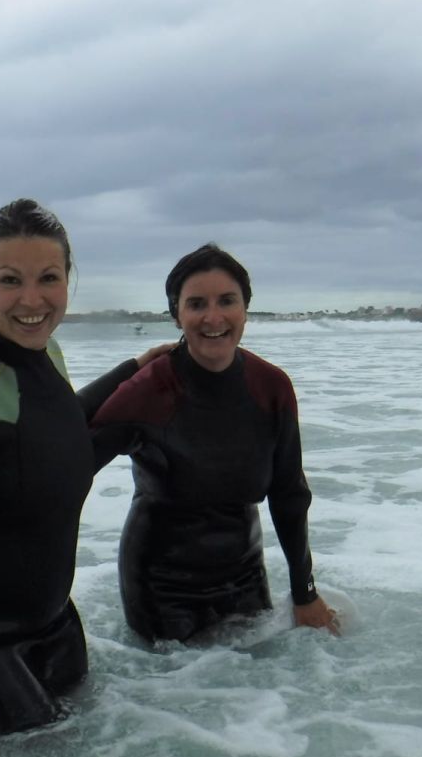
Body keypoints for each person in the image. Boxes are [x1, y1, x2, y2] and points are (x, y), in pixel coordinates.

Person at [0, 199, 170, 757]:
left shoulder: (47, 353)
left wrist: (133, 369)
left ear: (67, 279)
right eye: (10, 281)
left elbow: (55, 439)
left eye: (49, 279)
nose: (32, 300)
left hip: (55, 624)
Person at [89, 243, 340, 644]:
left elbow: (289, 494)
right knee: (175, 698)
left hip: (244, 574)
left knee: (268, 694)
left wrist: (304, 592)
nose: (213, 317)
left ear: (245, 310)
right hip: (161, 585)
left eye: (227, 301)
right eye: (196, 304)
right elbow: (66, 453)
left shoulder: (271, 387)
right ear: (177, 315)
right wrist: (128, 369)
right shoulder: (150, 388)